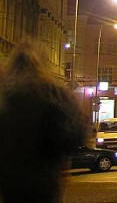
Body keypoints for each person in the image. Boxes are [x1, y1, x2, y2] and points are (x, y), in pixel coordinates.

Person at [0, 38, 87, 203]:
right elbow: (76, 136)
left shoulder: (4, 94)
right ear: (42, 63)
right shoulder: (54, 93)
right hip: (46, 178)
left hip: (8, 179)